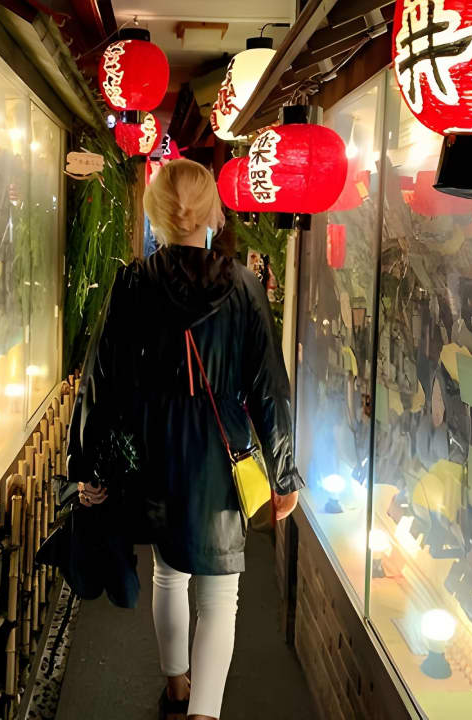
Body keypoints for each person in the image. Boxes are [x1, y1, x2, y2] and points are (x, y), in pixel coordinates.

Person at [67, 159, 302, 720]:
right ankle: (203, 713)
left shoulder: (133, 283)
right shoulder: (244, 287)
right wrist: (284, 472)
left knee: (168, 572)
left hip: (153, 448)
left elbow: (102, 380)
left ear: (157, 214)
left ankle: (175, 690)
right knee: (221, 592)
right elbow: (269, 389)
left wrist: (87, 466)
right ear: (213, 212)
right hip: (220, 451)